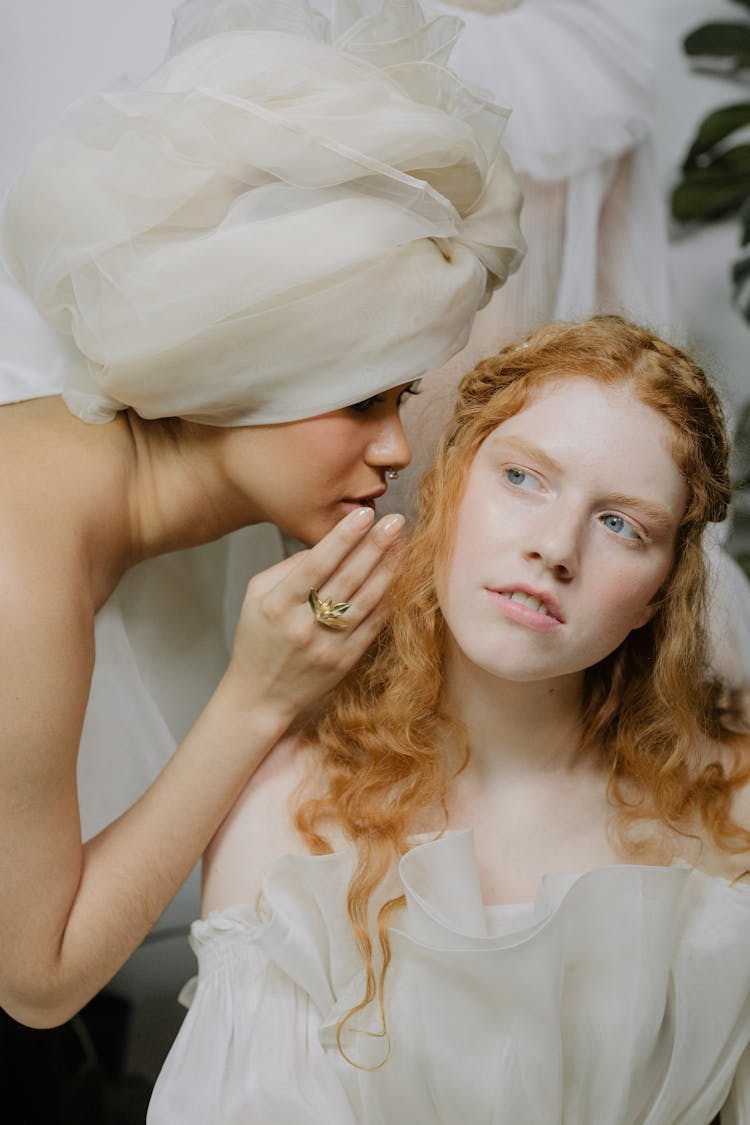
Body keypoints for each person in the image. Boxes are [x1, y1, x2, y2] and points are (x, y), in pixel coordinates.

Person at [0, 0, 524, 1029]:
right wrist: (256, 695)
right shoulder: (18, 574)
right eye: (361, 400)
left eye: (401, 399)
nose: (396, 451)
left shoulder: (126, 477)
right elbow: (38, 977)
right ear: (242, 371)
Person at [149, 315, 750, 1124]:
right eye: (524, 479)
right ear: (449, 486)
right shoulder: (287, 816)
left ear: (657, 597)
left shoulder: (733, 809)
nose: (555, 546)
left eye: (621, 524)